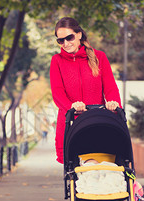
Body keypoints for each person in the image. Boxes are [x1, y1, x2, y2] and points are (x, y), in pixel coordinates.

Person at [50, 17, 122, 164]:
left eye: (69, 38)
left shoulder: (99, 57)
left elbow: (110, 87)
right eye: (60, 40)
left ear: (79, 35)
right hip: (71, 122)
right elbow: (57, 92)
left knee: (104, 161)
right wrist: (71, 106)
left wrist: (114, 103)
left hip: (97, 121)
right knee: (74, 170)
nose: (65, 43)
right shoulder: (57, 61)